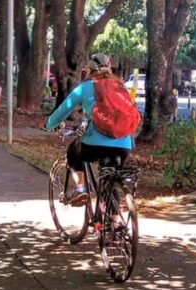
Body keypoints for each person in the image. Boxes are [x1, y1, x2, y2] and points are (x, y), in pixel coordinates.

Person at [45, 53, 133, 205]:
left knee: (73, 151)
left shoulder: (85, 88)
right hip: (124, 144)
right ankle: (115, 221)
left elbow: (62, 111)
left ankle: (81, 189)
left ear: (89, 70)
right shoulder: (122, 88)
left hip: (95, 144)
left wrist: (48, 125)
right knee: (108, 178)